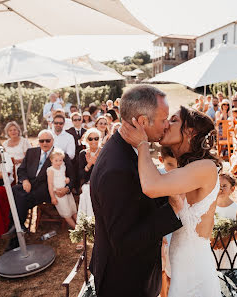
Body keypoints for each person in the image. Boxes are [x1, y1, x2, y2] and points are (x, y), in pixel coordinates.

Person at [120, 103, 222, 297]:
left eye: (174, 120)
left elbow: (151, 186)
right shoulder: (183, 170)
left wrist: (142, 144)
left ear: (190, 132)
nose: (166, 124)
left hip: (194, 269)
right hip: (178, 265)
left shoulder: (206, 168)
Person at [89, 85, 183, 297]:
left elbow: (138, 204)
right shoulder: (117, 169)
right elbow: (123, 242)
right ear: (142, 122)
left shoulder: (126, 149)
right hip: (125, 281)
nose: (167, 125)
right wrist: (172, 209)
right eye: (163, 119)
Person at [4, 130, 74, 250]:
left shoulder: (60, 154)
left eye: (48, 140)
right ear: (38, 141)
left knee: (21, 198)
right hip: (29, 184)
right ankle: (18, 227)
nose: (45, 143)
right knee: (15, 190)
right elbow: (21, 170)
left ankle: (15, 232)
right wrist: (25, 180)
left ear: (53, 141)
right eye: (42, 141)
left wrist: (67, 188)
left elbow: (73, 176)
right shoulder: (32, 152)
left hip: (47, 188)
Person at [211, 173, 237, 285]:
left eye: (224, 186)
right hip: (211, 247)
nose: (220, 189)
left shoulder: (236, 208)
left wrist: (227, 239)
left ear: (232, 189)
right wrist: (210, 239)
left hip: (229, 250)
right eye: (218, 185)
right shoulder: (209, 206)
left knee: (228, 280)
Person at [76, 128, 102, 250]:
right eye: (90, 139)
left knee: (86, 194)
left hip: (102, 184)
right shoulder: (83, 154)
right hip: (88, 184)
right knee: (85, 193)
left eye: (96, 138)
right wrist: (89, 164)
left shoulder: (103, 152)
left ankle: (88, 232)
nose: (93, 141)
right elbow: (81, 175)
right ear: (87, 140)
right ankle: (87, 231)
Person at [158, 146, 178, 297]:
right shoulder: (158, 175)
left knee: (174, 268)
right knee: (163, 268)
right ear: (161, 160)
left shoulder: (182, 175)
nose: (174, 169)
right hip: (163, 227)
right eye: (170, 164)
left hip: (178, 227)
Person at [47, 149, 77, 228]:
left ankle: (81, 226)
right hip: (58, 194)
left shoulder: (62, 167)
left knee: (73, 209)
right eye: (56, 160)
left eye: (60, 160)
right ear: (51, 160)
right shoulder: (51, 170)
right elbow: (50, 184)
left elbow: (63, 177)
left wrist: (67, 179)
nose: (58, 162)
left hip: (66, 192)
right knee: (66, 213)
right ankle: (76, 228)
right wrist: (53, 197)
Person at [66, 112, 86, 192]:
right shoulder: (68, 132)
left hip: (84, 155)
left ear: (81, 120)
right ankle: (74, 186)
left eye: (79, 119)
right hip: (73, 156)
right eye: (75, 120)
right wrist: (79, 142)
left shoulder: (86, 131)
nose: (77, 121)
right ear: (72, 121)